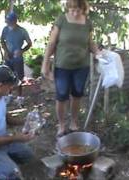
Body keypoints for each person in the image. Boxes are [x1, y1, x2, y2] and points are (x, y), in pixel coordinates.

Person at [41, 0, 101, 137]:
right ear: (68, 7)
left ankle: (74, 122)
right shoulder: (61, 20)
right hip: (62, 66)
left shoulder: (87, 23)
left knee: (77, 95)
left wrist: (98, 53)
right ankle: (61, 125)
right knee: (61, 96)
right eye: (71, 8)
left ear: (83, 8)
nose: (74, 12)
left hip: (81, 66)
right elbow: (51, 43)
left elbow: (90, 42)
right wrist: (45, 65)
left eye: (77, 9)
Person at [1, 11, 32, 100]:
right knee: (7, 76)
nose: (8, 22)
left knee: (19, 77)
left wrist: (22, 50)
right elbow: (2, 41)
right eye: (7, 20)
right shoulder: (5, 29)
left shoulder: (22, 31)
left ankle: (19, 96)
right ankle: (9, 94)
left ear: (15, 20)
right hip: (8, 57)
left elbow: (29, 43)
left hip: (17, 57)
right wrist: (6, 51)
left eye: (10, 20)